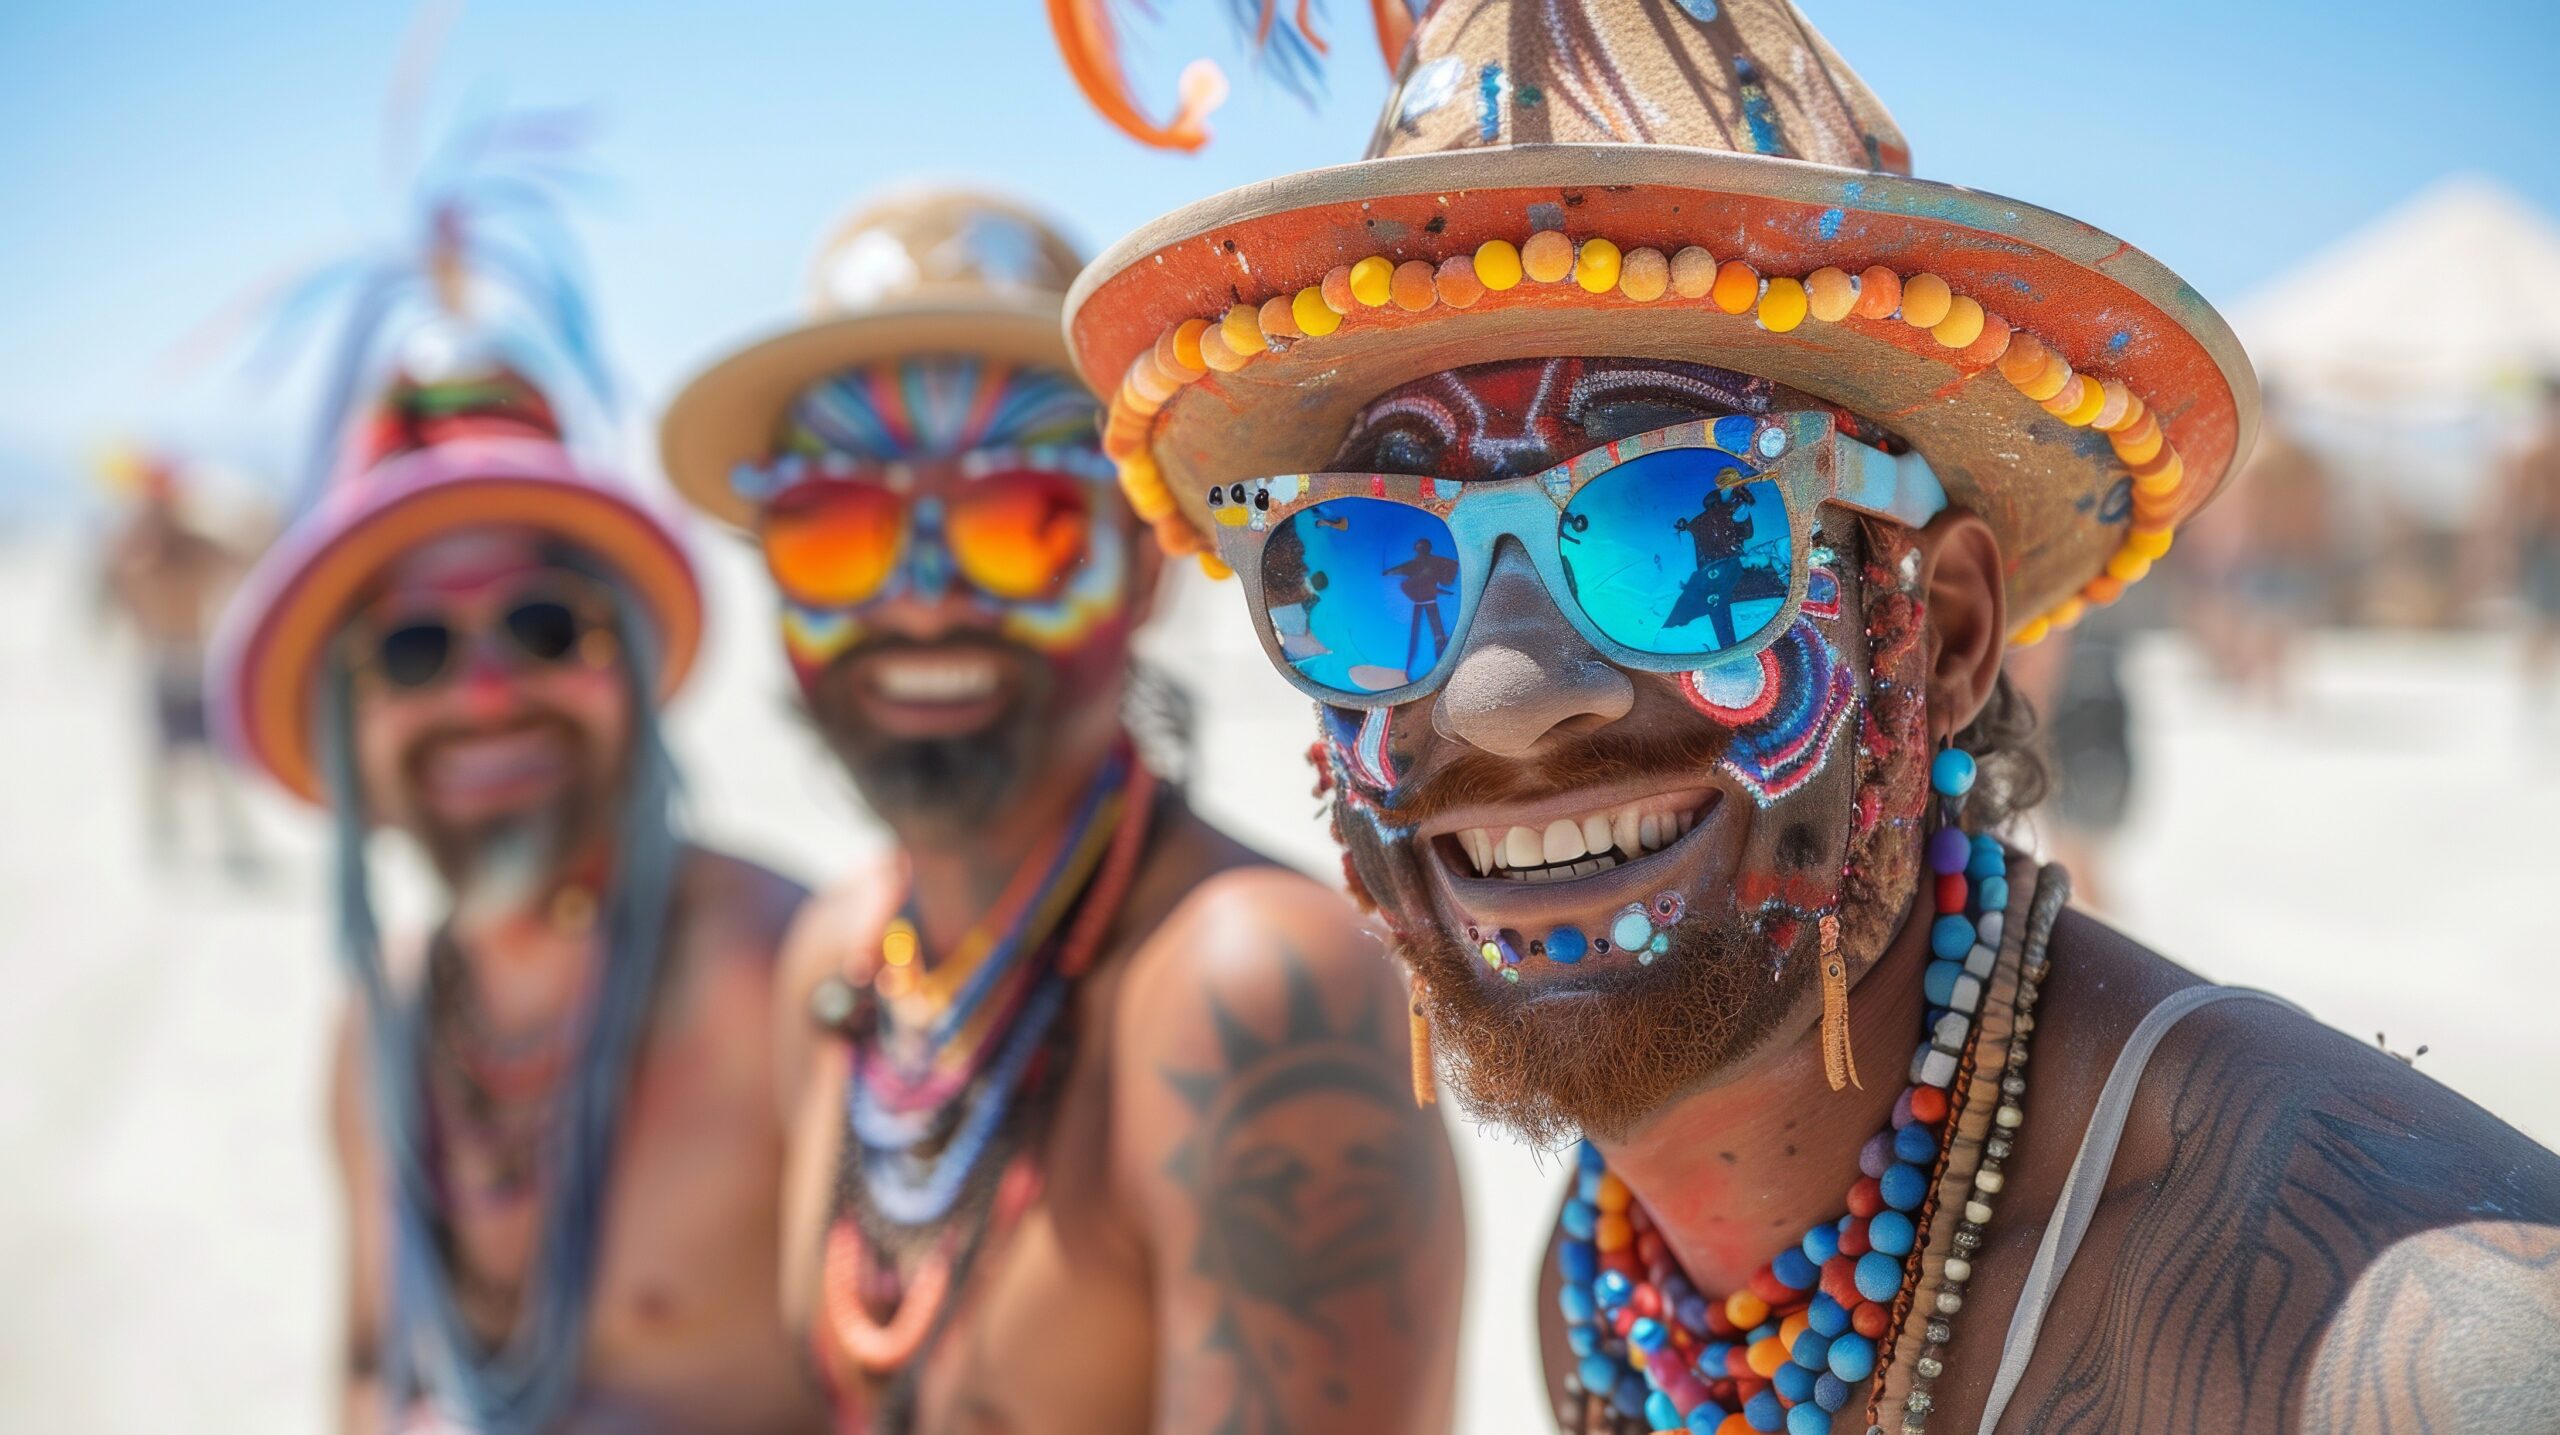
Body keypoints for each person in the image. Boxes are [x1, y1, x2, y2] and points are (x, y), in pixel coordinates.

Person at [1060, 4, 2560, 1432]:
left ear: (1947, 629)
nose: (1506, 697)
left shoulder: (2393, 1344)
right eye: (1372, 566)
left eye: (1677, 525)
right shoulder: (1621, 1290)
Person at [659, 189, 1464, 1435]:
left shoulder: (1245, 992)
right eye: (838, 529)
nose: (922, 602)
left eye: (1017, 522)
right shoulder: (840, 961)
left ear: (1142, 565)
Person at [211, 170, 822, 1434]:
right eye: (415, 651)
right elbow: (377, 1362)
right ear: (350, 718)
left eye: (545, 625)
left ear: (633, 673)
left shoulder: (788, 980)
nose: (486, 694)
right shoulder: (378, 1036)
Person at [96, 451, 259, 871]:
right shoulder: (136, 550)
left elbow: (244, 559)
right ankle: (164, 846)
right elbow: (115, 590)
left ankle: (230, 841)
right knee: (160, 766)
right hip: (163, 661)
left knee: (218, 763)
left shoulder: (192, 547)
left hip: (195, 659)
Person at [2503, 375, 2560, 711]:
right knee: (2540, 622)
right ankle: (2532, 697)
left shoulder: (2536, 450)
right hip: (2545, 546)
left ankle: (2533, 696)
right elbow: (2522, 504)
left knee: (2540, 623)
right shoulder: (2536, 451)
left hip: (2544, 544)